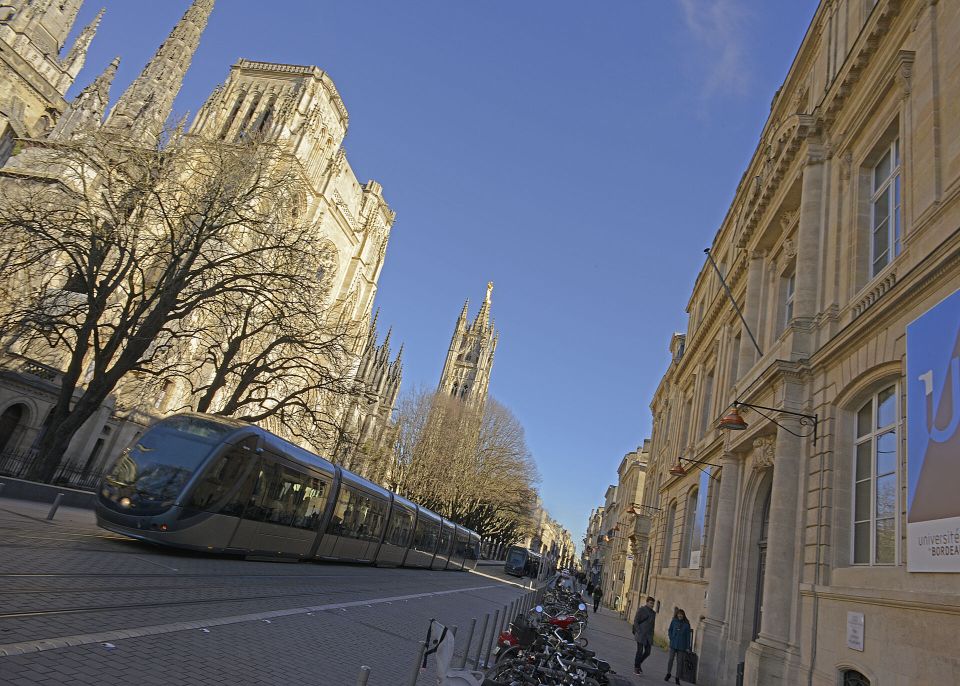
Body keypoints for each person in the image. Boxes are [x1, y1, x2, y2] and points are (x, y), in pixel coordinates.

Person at [665, 608, 692, 684]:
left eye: (681, 614)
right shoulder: (674, 621)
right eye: (679, 614)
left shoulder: (687, 625)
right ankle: (668, 673)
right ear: (677, 614)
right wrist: (671, 637)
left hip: (682, 646)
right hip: (673, 644)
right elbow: (670, 630)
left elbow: (688, 637)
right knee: (670, 659)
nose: (680, 615)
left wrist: (687, 647)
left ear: (683, 615)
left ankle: (677, 677)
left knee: (680, 662)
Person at [632, 596, 656, 674]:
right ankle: (636, 667)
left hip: (648, 636)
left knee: (648, 652)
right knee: (639, 651)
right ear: (647, 602)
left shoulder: (653, 613)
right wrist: (638, 631)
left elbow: (652, 626)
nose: (652, 605)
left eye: (653, 603)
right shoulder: (641, 610)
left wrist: (652, 636)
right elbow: (636, 621)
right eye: (651, 603)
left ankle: (639, 664)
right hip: (641, 634)